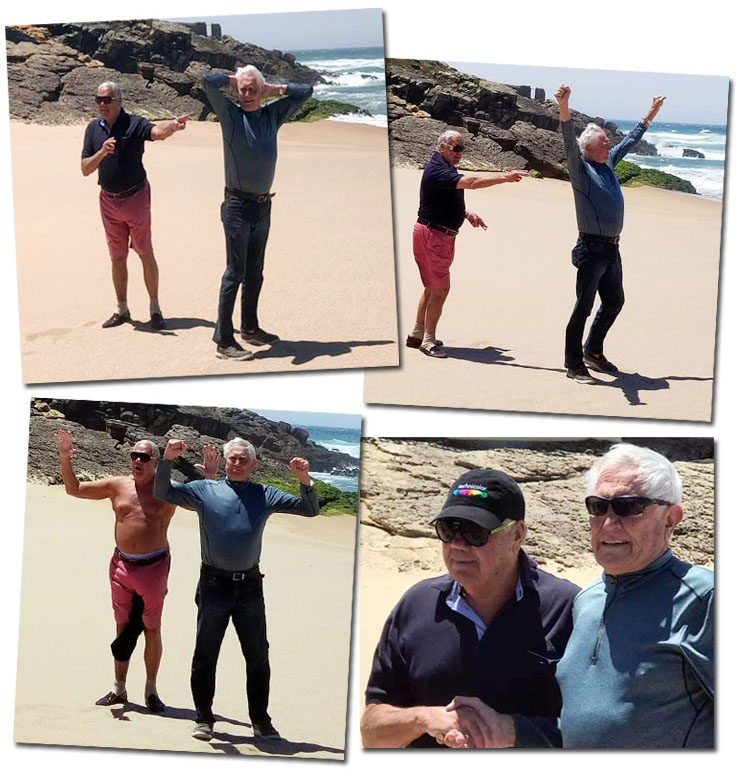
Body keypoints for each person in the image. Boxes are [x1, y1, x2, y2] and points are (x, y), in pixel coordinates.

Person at [451, 444, 714, 748]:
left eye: (628, 507)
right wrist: (510, 729)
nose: (609, 523)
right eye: (598, 507)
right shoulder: (587, 601)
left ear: (671, 519)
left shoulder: (705, 598)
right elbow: (584, 724)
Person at [361, 469, 579, 748]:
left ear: (517, 534)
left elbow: (603, 732)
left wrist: (512, 731)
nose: (457, 545)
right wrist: (423, 718)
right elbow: (371, 730)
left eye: (475, 532)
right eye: (448, 529)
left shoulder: (569, 609)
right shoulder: (415, 605)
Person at [153, 437, 320, 742]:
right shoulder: (206, 490)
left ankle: (261, 721)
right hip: (214, 585)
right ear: (226, 462)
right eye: (234, 459)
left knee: (258, 655)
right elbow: (163, 491)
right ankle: (204, 718)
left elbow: (309, 510)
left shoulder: (264, 494)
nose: (238, 464)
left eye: (244, 460)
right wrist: (166, 459)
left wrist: (304, 479)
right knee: (205, 654)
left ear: (254, 464)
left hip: (250, 589)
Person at [54, 431, 177, 712]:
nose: (137, 460)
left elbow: (202, 502)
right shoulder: (117, 485)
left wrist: (209, 476)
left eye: (144, 457)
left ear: (156, 461)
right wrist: (64, 458)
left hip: (154, 567)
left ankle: (151, 691)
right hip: (121, 567)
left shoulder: (168, 489)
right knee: (122, 626)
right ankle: (119, 689)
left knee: (152, 628)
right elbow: (74, 489)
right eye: (134, 455)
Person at [554, 85, 666, 384]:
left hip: (612, 250)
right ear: (589, 148)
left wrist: (650, 114)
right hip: (590, 249)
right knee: (583, 307)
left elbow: (629, 141)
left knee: (614, 301)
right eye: (604, 143)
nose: (609, 145)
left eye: (608, 142)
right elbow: (567, 139)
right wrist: (564, 105)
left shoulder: (608, 164)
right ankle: (573, 364)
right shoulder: (582, 169)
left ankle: (593, 350)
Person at [201, 65, 313, 361]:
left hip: (263, 206)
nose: (247, 94)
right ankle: (223, 340)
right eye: (243, 89)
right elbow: (206, 82)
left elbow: (307, 92)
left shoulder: (271, 115)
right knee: (234, 272)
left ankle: (249, 327)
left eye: (253, 89)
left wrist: (273, 89)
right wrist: (233, 78)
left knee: (255, 273)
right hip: (237, 205)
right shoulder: (231, 115)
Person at [406, 130, 527, 358]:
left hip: (428, 231)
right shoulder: (438, 170)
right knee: (441, 290)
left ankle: (417, 334)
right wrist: (505, 177)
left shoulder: (442, 168)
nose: (460, 153)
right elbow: (471, 183)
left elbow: (440, 200)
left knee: (432, 287)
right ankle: (429, 341)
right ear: (442, 147)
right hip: (435, 236)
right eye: (456, 148)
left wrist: (465, 213)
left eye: (462, 149)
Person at [81, 81, 189, 330]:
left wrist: (173, 126)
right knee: (117, 257)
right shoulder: (92, 129)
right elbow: (85, 169)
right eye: (98, 100)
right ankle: (122, 309)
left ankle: (155, 309)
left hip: (136, 198)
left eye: (107, 100)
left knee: (144, 252)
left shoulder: (134, 123)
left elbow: (156, 133)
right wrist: (101, 153)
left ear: (119, 101)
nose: (102, 105)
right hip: (108, 202)